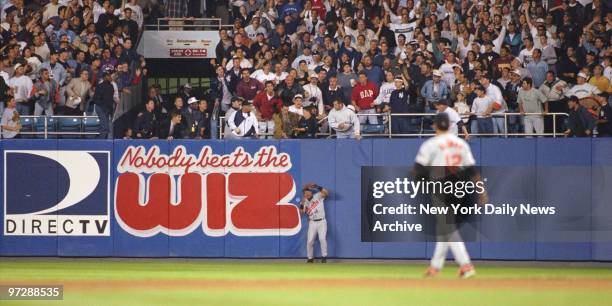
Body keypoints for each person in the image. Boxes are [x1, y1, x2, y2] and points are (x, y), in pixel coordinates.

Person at [413, 113, 482, 279]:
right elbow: (472, 170)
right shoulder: (460, 143)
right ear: (449, 126)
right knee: (444, 227)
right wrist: (482, 191)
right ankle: (435, 267)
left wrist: (422, 181)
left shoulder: (432, 143)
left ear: (435, 126)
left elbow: (418, 169)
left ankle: (466, 265)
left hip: (441, 186)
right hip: (459, 187)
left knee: (447, 227)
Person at [299, 182, 329, 263]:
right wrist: (301, 204)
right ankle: (310, 258)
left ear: (311, 192)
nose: (307, 194)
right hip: (312, 223)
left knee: (322, 239)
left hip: (322, 221)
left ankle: (324, 257)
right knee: (309, 241)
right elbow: (301, 213)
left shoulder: (318, 196)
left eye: (308, 192)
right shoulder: (304, 201)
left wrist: (317, 186)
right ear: (304, 194)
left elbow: (326, 193)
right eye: (305, 193)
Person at [92, 70, 115, 139]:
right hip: (100, 107)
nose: (110, 77)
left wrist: (110, 110)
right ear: (104, 77)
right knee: (105, 127)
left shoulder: (111, 86)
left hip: (107, 108)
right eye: (108, 76)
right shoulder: (100, 86)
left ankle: (98, 140)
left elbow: (110, 99)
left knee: (103, 126)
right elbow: (95, 98)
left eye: (110, 76)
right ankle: (101, 142)